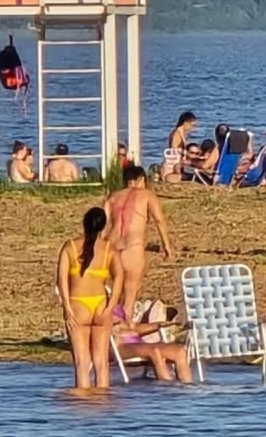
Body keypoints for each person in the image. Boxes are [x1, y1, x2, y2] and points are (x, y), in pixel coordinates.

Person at [57, 207, 123, 389]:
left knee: (82, 362)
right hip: (101, 304)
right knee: (101, 363)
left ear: (84, 223)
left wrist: (67, 309)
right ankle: (102, 401)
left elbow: (61, 280)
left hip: (78, 305)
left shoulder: (70, 247)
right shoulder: (109, 249)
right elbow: (119, 277)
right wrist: (111, 305)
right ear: (103, 226)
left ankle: (82, 402)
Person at [104, 165, 173, 319]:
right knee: (130, 295)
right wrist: (166, 245)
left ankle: (114, 325)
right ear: (141, 179)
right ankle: (126, 327)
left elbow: (102, 227)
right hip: (132, 248)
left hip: (112, 248)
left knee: (116, 294)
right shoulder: (146, 195)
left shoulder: (113, 197)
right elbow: (159, 220)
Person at [111, 305, 192, 383]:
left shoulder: (121, 306)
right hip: (120, 347)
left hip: (137, 343)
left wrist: (159, 324)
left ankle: (187, 387)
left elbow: (135, 328)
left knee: (179, 351)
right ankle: (167, 386)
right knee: (154, 351)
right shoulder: (107, 309)